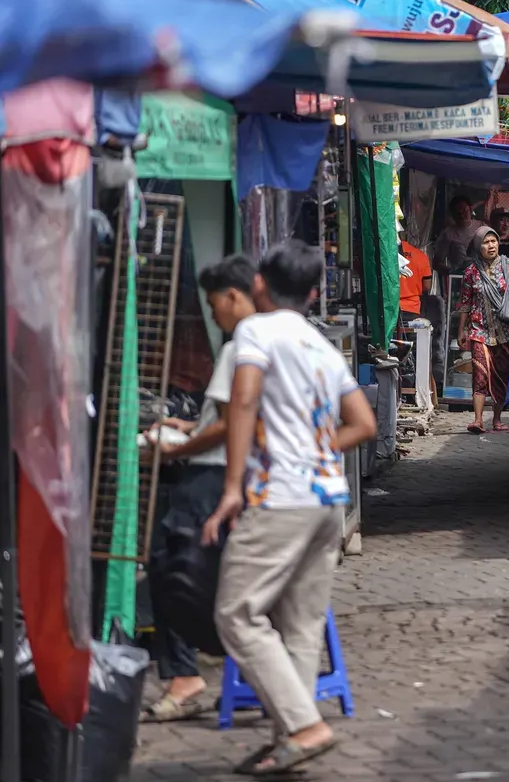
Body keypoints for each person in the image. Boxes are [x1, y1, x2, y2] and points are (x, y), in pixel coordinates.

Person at [204, 241, 377, 776]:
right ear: (310, 293)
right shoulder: (319, 343)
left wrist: (233, 486)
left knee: (237, 614)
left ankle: (303, 727)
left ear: (258, 284)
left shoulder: (255, 331)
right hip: (327, 500)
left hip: (280, 497)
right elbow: (364, 424)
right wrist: (315, 453)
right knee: (300, 627)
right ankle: (291, 739)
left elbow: (246, 400)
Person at [140, 255, 257, 724]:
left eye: (213, 305)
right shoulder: (270, 340)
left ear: (233, 296)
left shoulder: (241, 345)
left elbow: (231, 425)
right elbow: (226, 418)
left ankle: (183, 675)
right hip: (232, 472)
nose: (212, 315)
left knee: (169, 567)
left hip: (211, 475)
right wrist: (191, 423)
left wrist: (175, 448)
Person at [456, 226, 509, 435]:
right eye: (485, 242)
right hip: (479, 330)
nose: (490, 246)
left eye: (493, 241)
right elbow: (465, 303)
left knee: (501, 375)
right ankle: (478, 420)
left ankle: (497, 419)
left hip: (505, 332)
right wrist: (461, 330)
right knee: (479, 375)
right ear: (478, 247)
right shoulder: (471, 272)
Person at [432, 195, 484, 276]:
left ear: (470, 209)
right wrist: (453, 272)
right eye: (458, 213)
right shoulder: (448, 234)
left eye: (464, 211)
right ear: (453, 215)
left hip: (482, 276)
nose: (462, 215)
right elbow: (437, 263)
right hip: (460, 278)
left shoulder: (482, 226)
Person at [399, 238, 432, 325]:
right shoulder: (421, 256)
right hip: (412, 308)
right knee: (411, 337)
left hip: (389, 309)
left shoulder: (386, 256)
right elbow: (427, 285)